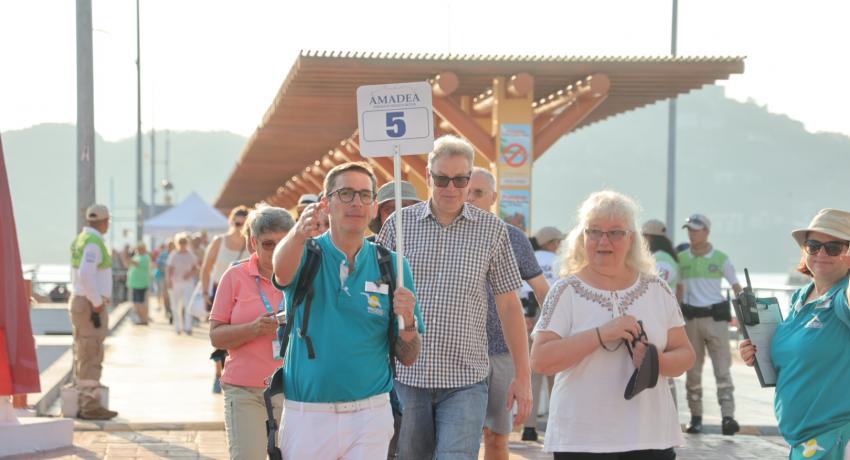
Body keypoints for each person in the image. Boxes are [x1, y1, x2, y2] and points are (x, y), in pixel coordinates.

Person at [377, 135, 532, 460]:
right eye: (442, 179)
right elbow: (375, 297)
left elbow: (508, 305)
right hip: (408, 376)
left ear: (469, 178)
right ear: (429, 177)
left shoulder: (493, 230)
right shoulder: (398, 226)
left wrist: (523, 376)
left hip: (467, 379)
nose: (451, 188)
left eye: (460, 180)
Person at [272, 162, 424, 459]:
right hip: (309, 415)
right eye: (346, 193)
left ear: (374, 206)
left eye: (365, 195)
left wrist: (408, 323)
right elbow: (281, 271)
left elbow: (408, 356)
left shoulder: (392, 265)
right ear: (326, 204)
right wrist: (298, 233)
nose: (356, 202)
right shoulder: (306, 253)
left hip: (371, 414)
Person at [530, 191, 695, 459]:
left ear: (631, 239)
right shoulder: (565, 291)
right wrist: (601, 334)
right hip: (581, 440)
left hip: (650, 437)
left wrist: (654, 360)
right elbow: (540, 361)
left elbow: (686, 355)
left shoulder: (657, 289)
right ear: (582, 238)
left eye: (616, 232)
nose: (603, 241)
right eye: (594, 231)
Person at [739, 208, 850, 460]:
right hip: (803, 443)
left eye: (834, 247)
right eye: (813, 245)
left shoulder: (842, 297)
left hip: (835, 439)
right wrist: (758, 352)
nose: (821, 253)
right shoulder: (802, 296)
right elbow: (798, 359)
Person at [467, 167, 550, 460]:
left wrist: (553, 331)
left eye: (478, 193)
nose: (470, 198)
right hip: (459, 353)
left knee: (497, 439)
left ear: (494, 197)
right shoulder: (445, 234)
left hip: (502, 353)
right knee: (457, 439)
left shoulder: (513, 238)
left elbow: (542, 290)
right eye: (466, 191)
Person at [209, 205, 295, 460]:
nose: (277, 250)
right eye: (268, 244)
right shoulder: (235, 277)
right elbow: (216, 336)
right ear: (252, 244)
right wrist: (253, 329)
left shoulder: (305, 277)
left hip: (295, 391)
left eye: (284, 242)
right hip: (245, 390)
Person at [366, 179, 421, 460]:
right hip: (382, 378)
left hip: (440, 370)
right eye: (391, 209)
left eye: (408, 208)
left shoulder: (437, 249)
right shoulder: (368, 255)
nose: (400, 216)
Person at [677, 213, 742, 435]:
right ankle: (696, 418)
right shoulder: (682, 258)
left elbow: (736, 286)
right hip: (691, 320)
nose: (691, 234)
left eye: (695, 230)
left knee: (722, 369)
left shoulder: (721, 258)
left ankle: (728, 417)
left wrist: (745, 316)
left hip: (716, 320)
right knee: (692, 371)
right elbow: (676, 290)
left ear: (706, 231)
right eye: (689, 230)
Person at [69, 204, 118, 420]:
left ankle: (83, 400)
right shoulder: (94, 243)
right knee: (91, 351)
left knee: (83, 350)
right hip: (89, 304)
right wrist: (97, 302)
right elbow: (86, 275)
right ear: (106, 221)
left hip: (80, 301)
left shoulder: (80, 239)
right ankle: (89, 405)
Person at [521, 225, 565, 442]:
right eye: (557, 241)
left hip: (527, 315)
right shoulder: (558, 261)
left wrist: (527, 315)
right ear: (551, 242)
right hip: (553, 314)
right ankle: (554, 426)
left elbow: (521, 288)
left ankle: (528, 428)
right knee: (554, 373)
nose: (559, 245)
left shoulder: (530, 256)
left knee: (532, 373)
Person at [201, 205, 249, 393]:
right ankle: (218, 374)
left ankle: (236, 374)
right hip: (219, 293)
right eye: (237, 223)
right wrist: (205, 293)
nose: (240, 227)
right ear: (231, 222)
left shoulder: (252, 243)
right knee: (220, 336)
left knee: (240, 336)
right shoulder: (219, 241)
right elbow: (206, 268)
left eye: (244, 223)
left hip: (244, 296)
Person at [642, 219, 681, 408]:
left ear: (648, 237)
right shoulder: (670, 258)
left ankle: (667, 409)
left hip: (659, 319)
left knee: (659, 367)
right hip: (668, 318)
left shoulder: (659, 260)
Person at [166, 233, 199, 335]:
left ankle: (188, 326)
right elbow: (169, 269)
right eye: (180, 242)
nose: (182, 244)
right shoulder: (173, 255)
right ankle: (177, 326)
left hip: (188, 283)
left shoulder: (191, 255)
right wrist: (168, 282)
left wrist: (190, 274)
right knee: (175, 305)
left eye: (184, 242)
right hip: (176, 283)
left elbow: (195, 268)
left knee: (188, 305)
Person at [126, 242, 152, 325]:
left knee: (138, 302)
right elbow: (128, 264)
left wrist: (127, 254)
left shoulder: (145, 257)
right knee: (138, 302)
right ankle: (143, 319)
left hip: (140, 284)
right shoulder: (138, 256)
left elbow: (134, 263)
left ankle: (143, 319)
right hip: (136, 283)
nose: (138, 250)